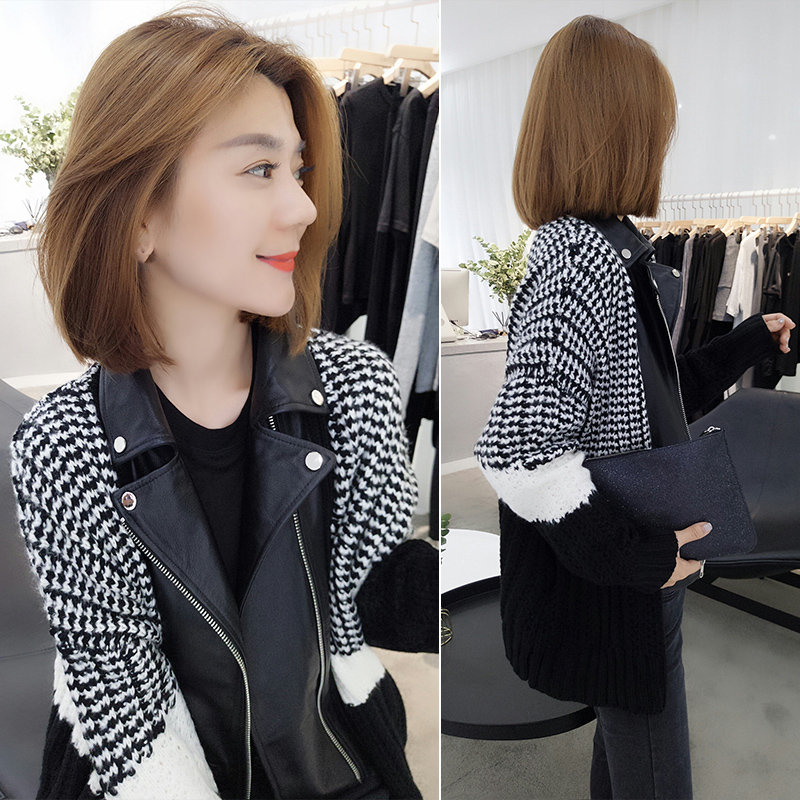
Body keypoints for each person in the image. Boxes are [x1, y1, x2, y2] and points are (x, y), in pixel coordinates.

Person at [8, 6, 437, 799]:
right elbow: (126, 702)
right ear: (139, 213)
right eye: (259, 169)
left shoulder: (354, 386)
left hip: (334, 759)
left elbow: (373, 589)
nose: (305, 209)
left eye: (298, 170)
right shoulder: (63, 444)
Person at [473, 15, 794, 800]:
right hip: (624, 583)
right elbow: (519, 452)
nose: (662, 142)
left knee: (628, 756)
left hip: (635, 571)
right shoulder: (582, 260)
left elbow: (651, 400)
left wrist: (749, 340)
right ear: (616, 128)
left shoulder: (614, 252)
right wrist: (640, 560)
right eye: (655, 124)